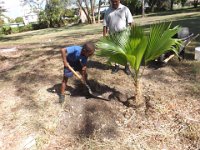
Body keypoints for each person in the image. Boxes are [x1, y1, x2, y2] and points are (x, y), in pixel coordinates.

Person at [103, 0, 133, 75]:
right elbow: (105, 25)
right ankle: (116, 66)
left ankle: (126, 67)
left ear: (119, 0)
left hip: (124, 35)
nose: (114, 3)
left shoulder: (125, 9)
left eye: (116, 1)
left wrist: (131, 34)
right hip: (113, 35)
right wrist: (104, 37)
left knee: (125, 52)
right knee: (115, 52)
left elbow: (130, 23)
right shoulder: (108, 11)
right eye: (112, 1)